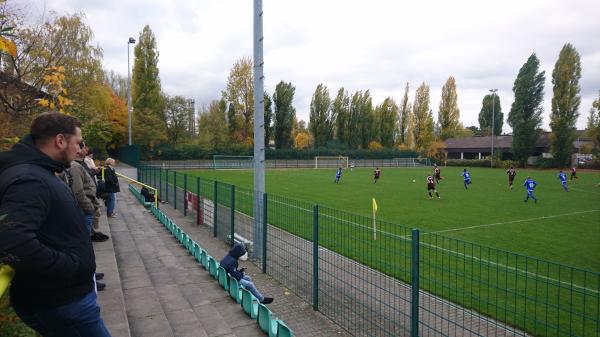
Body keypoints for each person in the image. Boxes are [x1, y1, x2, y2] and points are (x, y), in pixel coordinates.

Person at [0, 112, 111, 337]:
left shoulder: (39, 172)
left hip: (65, 300)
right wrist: (71, 267)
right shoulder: (29, 179)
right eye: (78, 143)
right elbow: (14, 242)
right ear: (60, 141)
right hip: (63, 303)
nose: (80, 149)